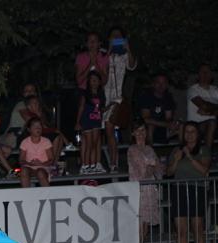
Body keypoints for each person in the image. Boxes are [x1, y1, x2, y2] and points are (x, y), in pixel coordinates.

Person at [166, 121, 210, 243]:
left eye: (193, 132)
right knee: (181, 230)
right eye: (187, 132)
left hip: (197, 189)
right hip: (179, 189)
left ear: (198, 134)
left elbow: (204, 170)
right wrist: (177, 159)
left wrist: (190, 156)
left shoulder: (203, 150)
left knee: (197, 228)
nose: (189, 135)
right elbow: (169, 172)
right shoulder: (176, 150)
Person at [127, 120, 163, 243]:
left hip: (150, 191)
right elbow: (142, 171)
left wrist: (153, 166)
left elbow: (160, 169)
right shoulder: (132, 149)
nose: (141, 133)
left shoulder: (149, 148)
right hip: (138, 191)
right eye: (137, 131)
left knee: (145, 231)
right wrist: (152, 165)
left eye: (143, 130)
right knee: (139, 232)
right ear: (133, 133)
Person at [103, 27, 137, 172]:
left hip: (116, 99)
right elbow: (100, 68)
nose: (116, 37)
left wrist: (128, 48)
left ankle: (113, 164)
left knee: (110, 129)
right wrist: (110, 49)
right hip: (102, 97)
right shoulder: (104, 54)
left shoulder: (124, 56)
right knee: (103, 132)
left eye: (119, 36)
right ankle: (103, 163)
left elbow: (132, 66)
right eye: (113, 35)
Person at [23, 95, 73, 161]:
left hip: (43, 133)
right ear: (29, 107)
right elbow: (38, 128)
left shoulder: (40, 114)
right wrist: (54, 129)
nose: (37, 105)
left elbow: (45, 125)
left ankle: (54, 162)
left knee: (59, 137)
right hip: (36, 135)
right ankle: (66, 145)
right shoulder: (30, 115)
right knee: (56, 135)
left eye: (37, 103)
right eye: (34, 103)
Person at [75, 71, 107, 174]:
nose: (94, 82)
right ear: (89, 81)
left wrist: (111, 105)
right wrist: (78, 122)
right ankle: (85, 165)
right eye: (92, 80)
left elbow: (100, 109)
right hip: (87, 120)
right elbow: (81, 107)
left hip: (96, 121)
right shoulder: (85, 94)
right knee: (87, 144)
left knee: (94, 143)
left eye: (96, 80)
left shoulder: (101, 94)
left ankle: (93, 165)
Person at [138, 74, 180, 145]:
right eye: (158, 82)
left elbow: (168, 118)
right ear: (153, 84)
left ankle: (181, 149)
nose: (161, 85)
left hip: (162, 125)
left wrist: (173, 123)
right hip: (147, 126)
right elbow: (146, 119)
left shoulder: (168, 98)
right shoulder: (146, 96)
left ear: (166, 85)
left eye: (163, 83)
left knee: (181, 125)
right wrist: (165, 124)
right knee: (151, 126)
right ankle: (150, 148)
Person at [187, 64, 218, 148]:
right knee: (212, 122)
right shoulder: (193, 89)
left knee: (212, 122)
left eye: (207, 72)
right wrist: (214, 111)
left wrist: (209, 111)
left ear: (211, 75)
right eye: (202, 71)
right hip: (196, 126)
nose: (205, 74)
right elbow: (203, 105)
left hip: (214, 126)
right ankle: (207, 154)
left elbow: (205, 108)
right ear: (198, 75)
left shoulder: (215, 90)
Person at [19, 118, 55, 187]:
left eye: (39, 126)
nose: (38, 128)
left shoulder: (46, 141)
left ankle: (48, 195)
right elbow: (21, 160)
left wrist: (41, 163)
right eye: (35, 126)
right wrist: (30, 163)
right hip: (30, 168)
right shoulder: (25, 142)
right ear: (29, 129)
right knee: (24, 171)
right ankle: (26, 195)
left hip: (44, 168)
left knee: (40, 172)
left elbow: (51, 159)